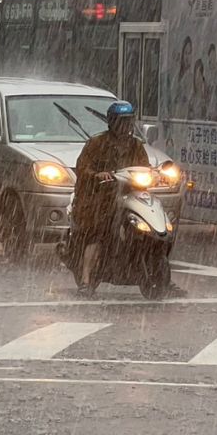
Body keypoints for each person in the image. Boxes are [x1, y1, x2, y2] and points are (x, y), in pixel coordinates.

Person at [72, 101, 150, 296]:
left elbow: (145, 167)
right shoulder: (96, 143)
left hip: (130, 196)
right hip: (101, 198)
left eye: (129, 121)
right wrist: (97, 175)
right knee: (97, 233)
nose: (127, 126)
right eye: (122, 122)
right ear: (112, 122)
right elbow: (82, 167)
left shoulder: (136, 146)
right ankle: (85, 279)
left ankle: (160, 276)